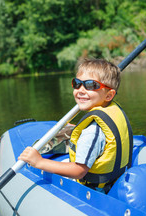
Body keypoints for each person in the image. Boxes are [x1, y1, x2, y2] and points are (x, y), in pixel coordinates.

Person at [18, 58, 133, 193]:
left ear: (109, 95)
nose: (81, 90)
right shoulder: (113, 110)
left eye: (91, 85)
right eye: (77, 83)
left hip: (93, 190)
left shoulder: (92, 132)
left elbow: (78, 171)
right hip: (113, 181)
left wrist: (39, 162)